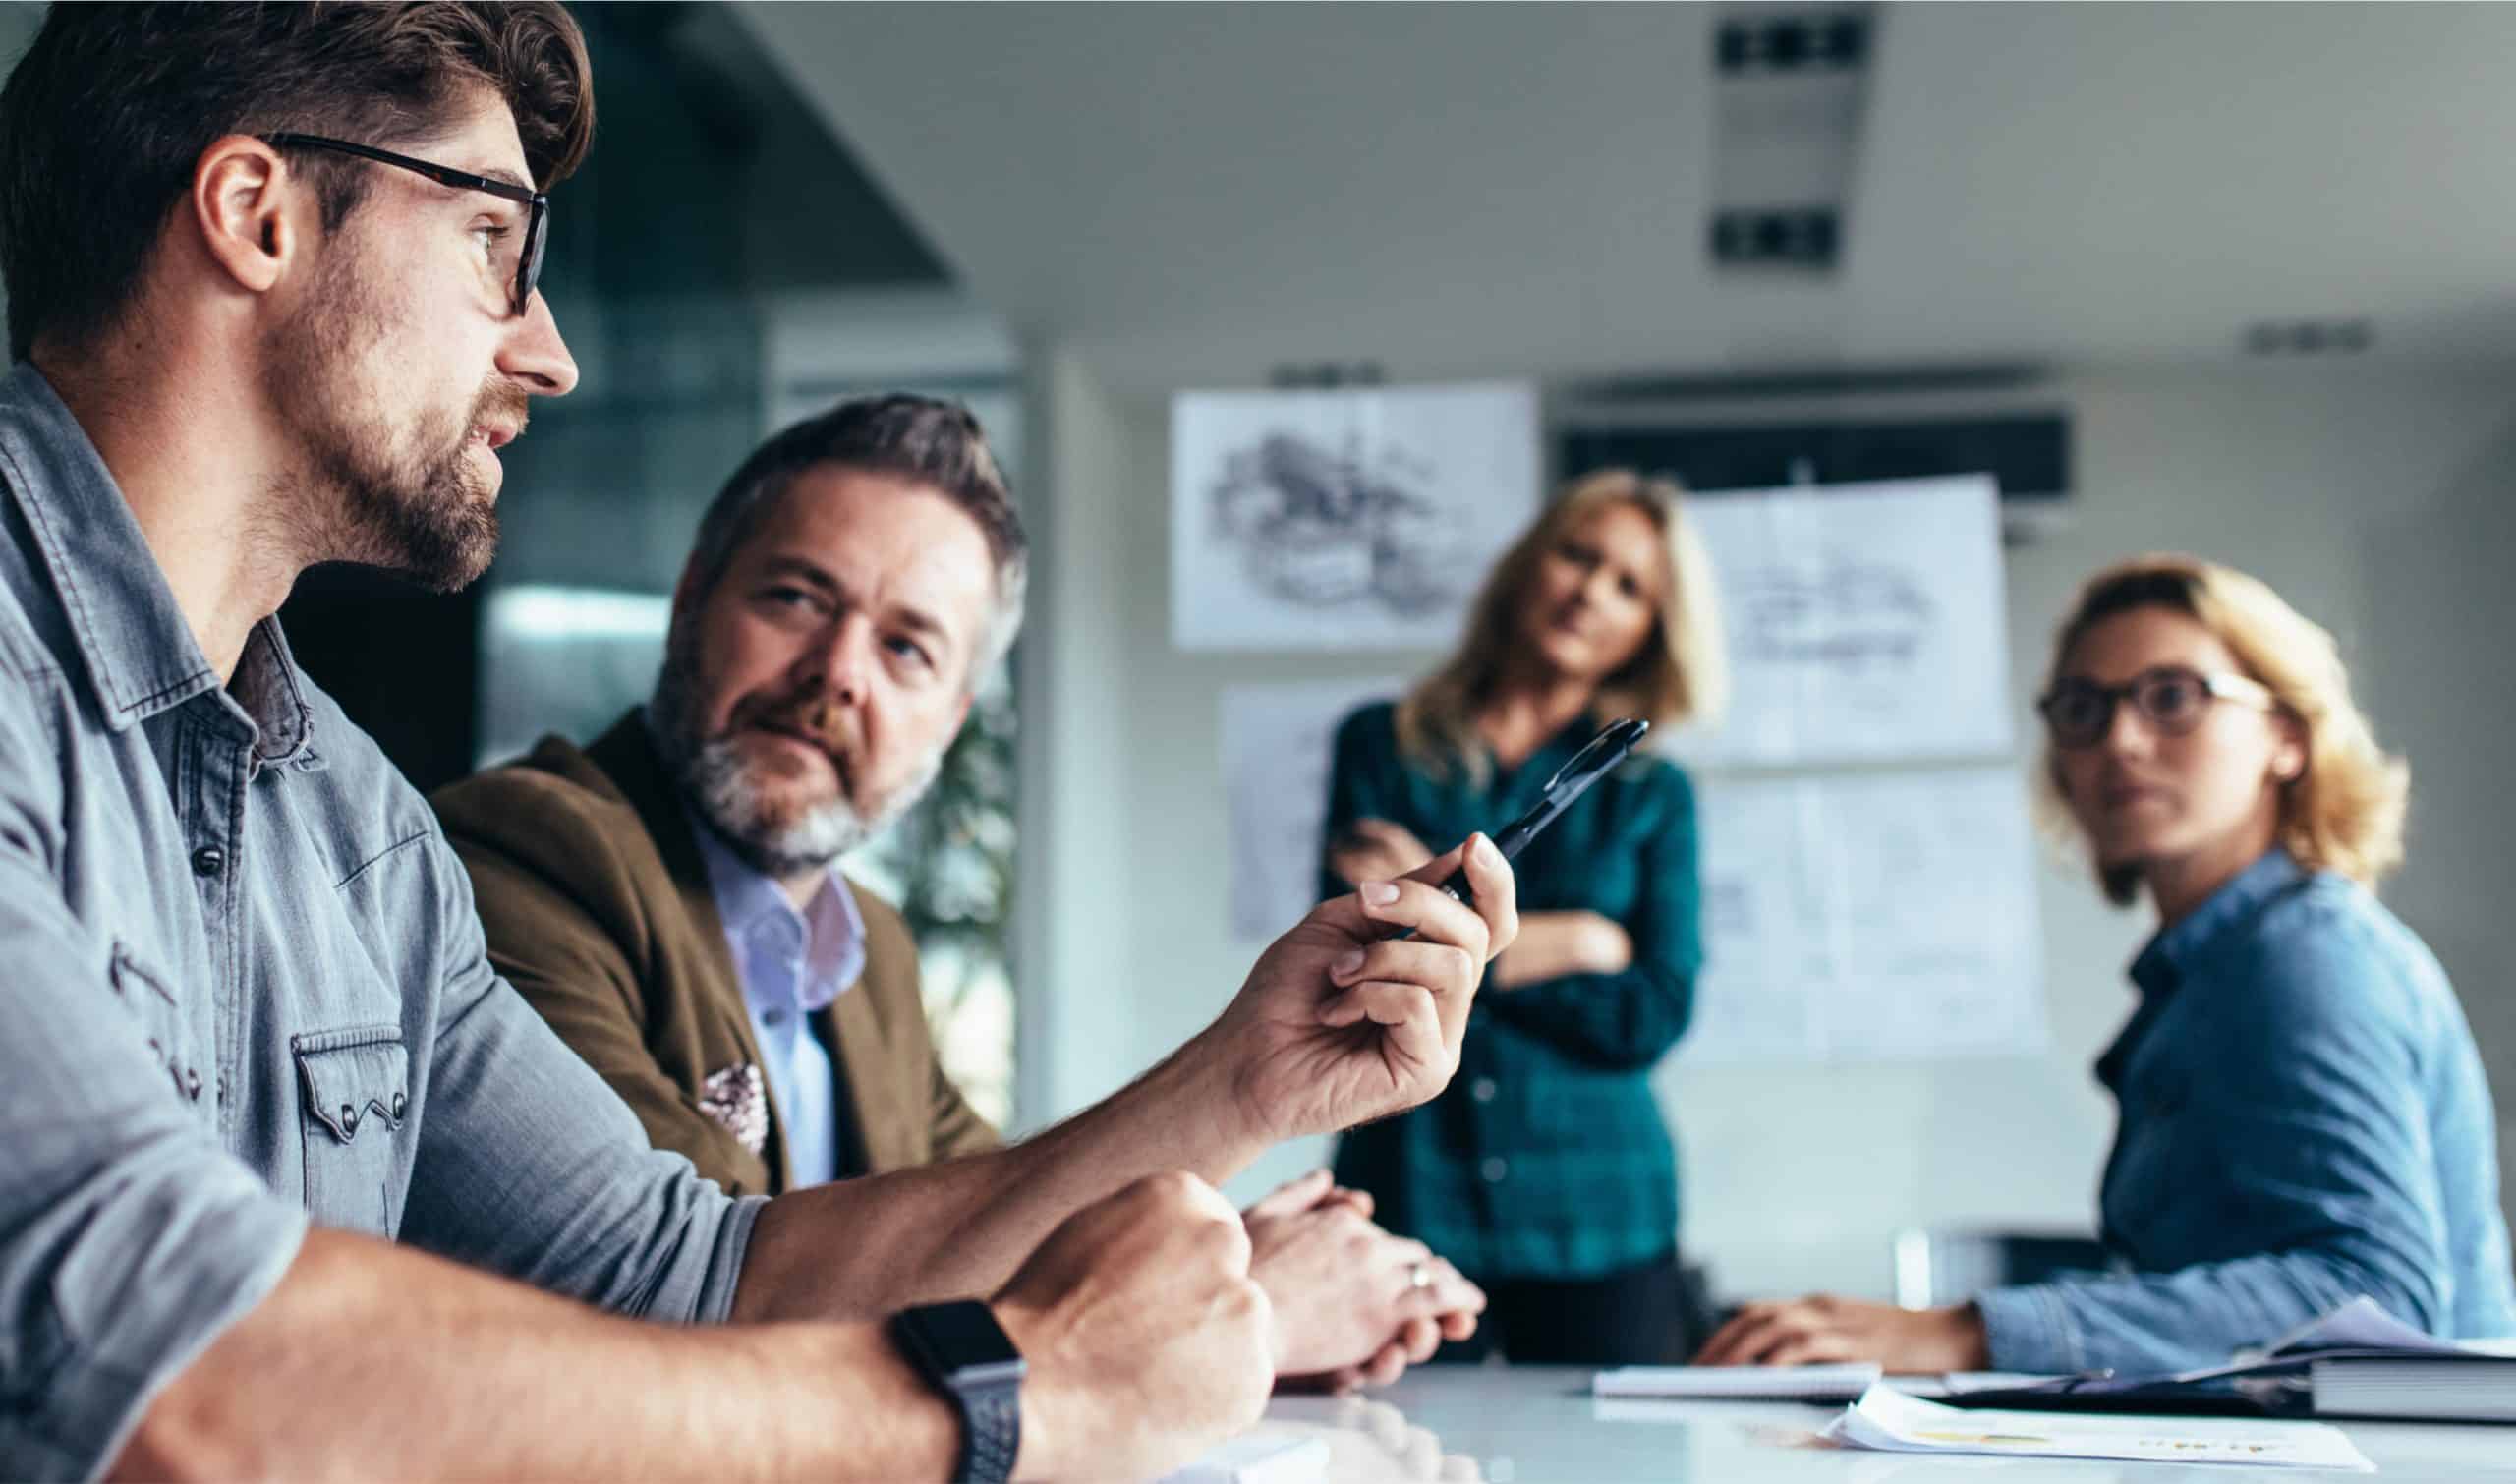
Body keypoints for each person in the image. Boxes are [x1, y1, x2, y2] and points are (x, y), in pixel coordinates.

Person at [0, 7, 1516, 1479]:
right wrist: (1004, 1405)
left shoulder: (353, 833)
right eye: (493, 245)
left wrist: (1249, 1079)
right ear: (256, 211)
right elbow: (167, 1369)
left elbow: (690, 1271)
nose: (550, 353)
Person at [431, 394, 1487, 1393]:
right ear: (692, 596)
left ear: (951, 715)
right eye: (796, 598)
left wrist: (1222, 1234)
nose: (839, 672)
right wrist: (1241, 1304)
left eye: (906, 647)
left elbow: (998, 1224)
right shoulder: (523, 856)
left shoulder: (868, 948)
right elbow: (706, 1304)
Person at [1697, 554, 2516, 1376]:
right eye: (2084, 711)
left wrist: (1966, 1332)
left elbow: (2377, 1298)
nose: (2120, 741)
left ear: (2287, 736)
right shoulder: (2209, 973)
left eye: (2173, 698)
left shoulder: (2304, 957)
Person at [1319, 467, 1729, 1365]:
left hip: (1599, 1213)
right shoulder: (1379, 746)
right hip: (1412, 1194)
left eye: (1629, 586)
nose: (1591, 591)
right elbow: (1357, 965)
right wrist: (1580, 942)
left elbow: (1652, 1010)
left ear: (1650, 632)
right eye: (1578, 557)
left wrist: (1452, 943)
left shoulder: (1654, 796)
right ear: (1528, 567)